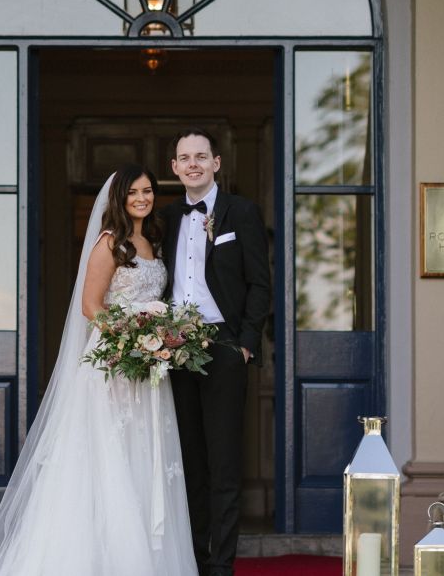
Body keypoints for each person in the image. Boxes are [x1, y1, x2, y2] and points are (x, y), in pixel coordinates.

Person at [0, 163, 198, 576]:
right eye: (134, 193)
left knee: (144, 455)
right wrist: (130, 337)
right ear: (120, 199)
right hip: (114, 363)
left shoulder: (152, 241)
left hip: (149, 369)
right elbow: (91, 305)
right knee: (110, 456)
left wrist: (157, 340)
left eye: (148, 191)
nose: (142, 198)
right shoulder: (109, 244)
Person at [162, 129, 273, 576]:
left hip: (224, 347)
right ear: (174, 167)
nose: (193, 164)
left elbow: (260, 285)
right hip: (172, 350)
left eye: (201, 157)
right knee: (189, 462)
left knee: (225, 463)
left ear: (217, 163)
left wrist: (245, 344)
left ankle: (221, 565)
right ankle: (194, 557)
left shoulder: (241, 212)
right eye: (184, 158)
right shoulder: (166, 218)